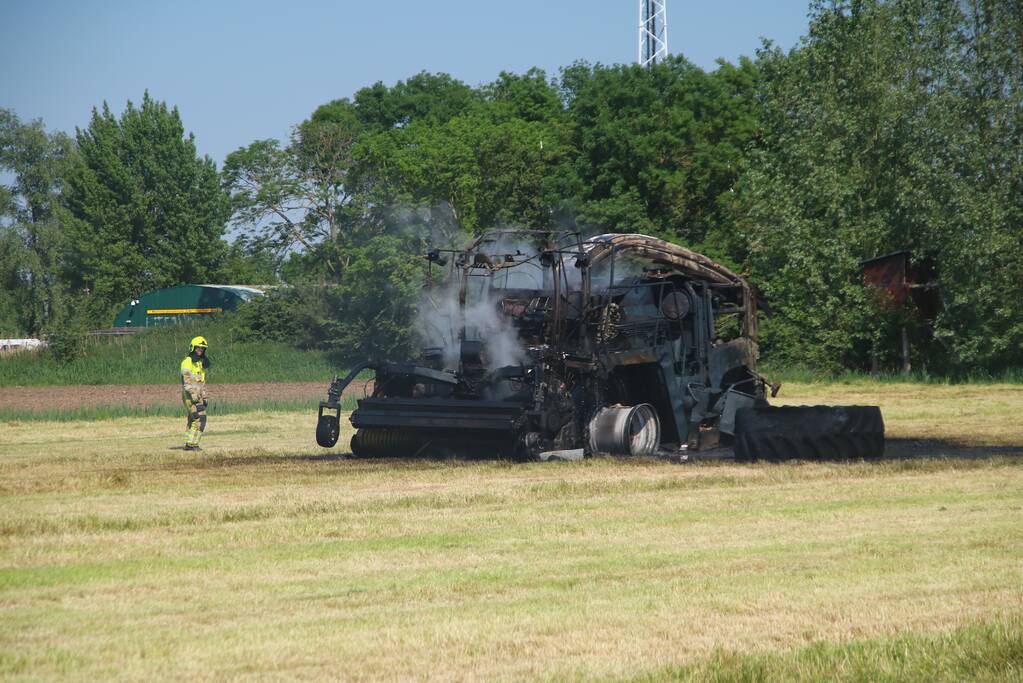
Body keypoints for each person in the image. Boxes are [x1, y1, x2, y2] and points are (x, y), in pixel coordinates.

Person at [181, 335, 210, 450]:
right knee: (199, 418)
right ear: (193, 347)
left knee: (193, 419)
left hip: (198, 395)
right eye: (198, 347)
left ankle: (189, 443)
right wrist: (192, 393)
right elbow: (186, 379)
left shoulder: (199, 363)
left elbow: (201, 382)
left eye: (202, 348)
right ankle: (192, 444)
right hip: (189, 395)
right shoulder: (187, 362)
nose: (200, 350)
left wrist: (204, 395)